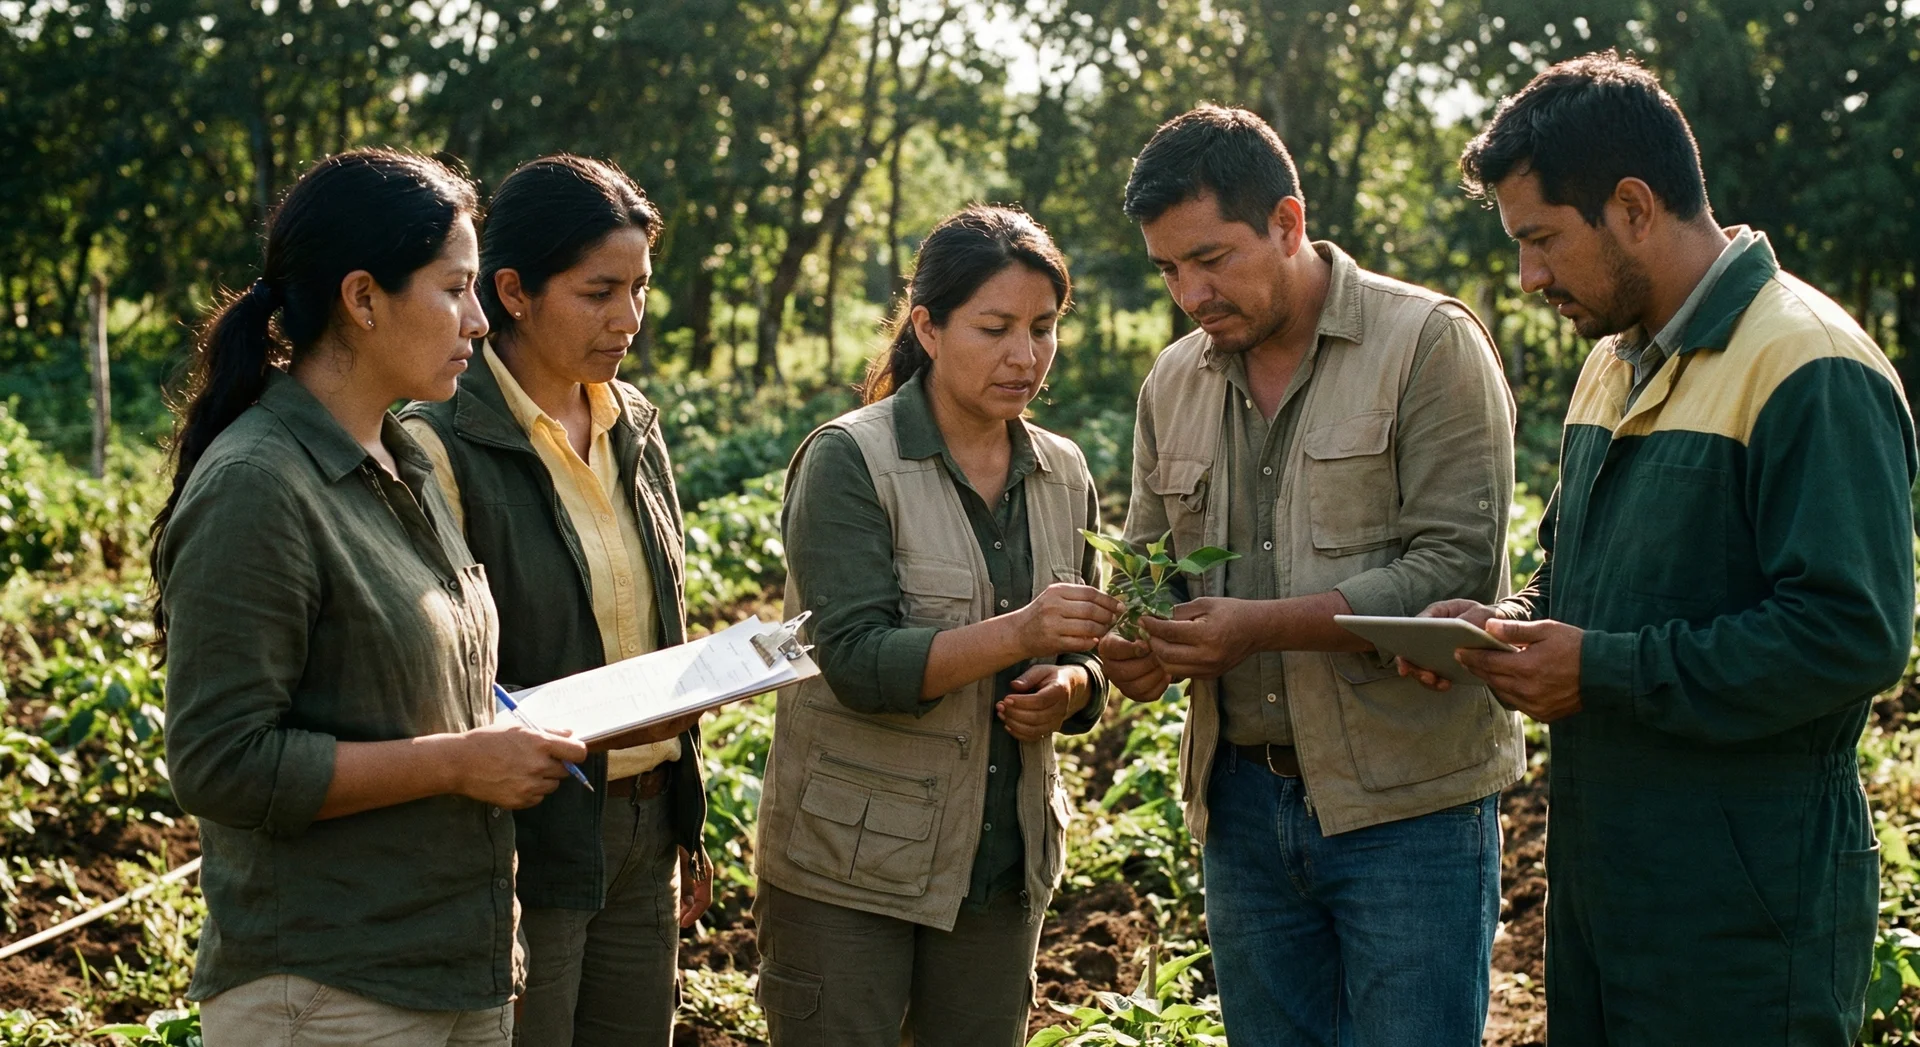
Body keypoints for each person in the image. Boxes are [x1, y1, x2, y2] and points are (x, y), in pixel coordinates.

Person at [1419, 51, 1917, 1045]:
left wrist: (1601, 671)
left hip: (1744, 913)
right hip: (1608, 892)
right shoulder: (1613, 364)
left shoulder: (1808, 365)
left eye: (1544, 240)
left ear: (1635, 207)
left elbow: (1849, 636)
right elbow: (1567, 564)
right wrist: (1507, 626)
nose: (1530, 277)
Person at [1098, 106, 1523, 1046]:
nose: (1192, 292)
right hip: (1242, 808)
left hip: (1407, 803)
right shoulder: (1173, 382)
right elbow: (1152, 565)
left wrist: (1258, 625)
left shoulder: (1428, 346)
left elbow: (1454, 566)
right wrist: (1140, 646)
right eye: (1169, 269)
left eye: (1213, 258)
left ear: (1288, 223)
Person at [154, 148, 590, 1047]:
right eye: (454, 288)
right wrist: (458, 762)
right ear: (361, 299)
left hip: (457, 960)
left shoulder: (409, 458)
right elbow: (220, 760)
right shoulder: (258, 484)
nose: (479, 320)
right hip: (330, 989)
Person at [751, 205, 1119, 1047]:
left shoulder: (1060, 471)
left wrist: (1069, 685)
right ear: (928, 324)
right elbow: (854, 661)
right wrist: (1019, 633)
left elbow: (1087, 651)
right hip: (849, 868)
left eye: (1043, 327)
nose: (1024, 356)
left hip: (996, 869)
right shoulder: (851, 459)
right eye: (994, 328)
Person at [399, 154, 710, 1047]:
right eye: (598, 291)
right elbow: (446, 668)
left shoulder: (632, 423)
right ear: (514, 291)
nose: (628, 320)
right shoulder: (442, 441)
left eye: (640, 289)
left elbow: (657, 620)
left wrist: (684, 813)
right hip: (528, 828)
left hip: (645, 818)